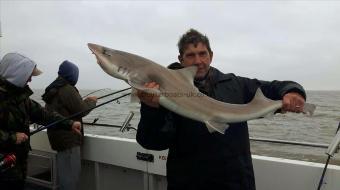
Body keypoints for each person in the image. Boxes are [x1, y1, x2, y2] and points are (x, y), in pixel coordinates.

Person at [136, 29, 307, 190]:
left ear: (211, 55)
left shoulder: (236, 84)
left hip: (236, 182)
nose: (198, 61)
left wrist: (292, 91)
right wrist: (152, 110)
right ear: (181, 59)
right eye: (190, 55)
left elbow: (274, 87)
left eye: (203, 54)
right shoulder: (164, 91)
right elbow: (152, 143)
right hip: (188, 182)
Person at [0, 53, 82, 190]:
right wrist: (12, 137)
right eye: (29, 75)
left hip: (17, 164)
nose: (31, 80)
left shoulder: (21, 98)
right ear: (16, 74)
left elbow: (44, 115)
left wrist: (69, 124)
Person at [42, 60, 97, 190]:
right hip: (69, 139)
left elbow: (65, 108)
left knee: (65, 174)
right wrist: (92, 101)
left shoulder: (54, 87)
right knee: (70, 177)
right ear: (72, 74)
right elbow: (81, 110)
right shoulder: (67, 88)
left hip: (57, 137)